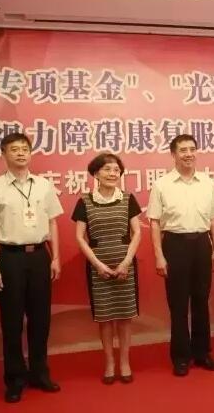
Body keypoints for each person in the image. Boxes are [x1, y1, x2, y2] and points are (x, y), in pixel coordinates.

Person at [0, 132, 63, 403]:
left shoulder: (44, 185)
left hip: (39, 257)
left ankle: (39, 373)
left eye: (25, 148)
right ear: (3, 154)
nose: (21, 153)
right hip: (10, 258)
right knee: (12, 322)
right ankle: (15, 379)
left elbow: (52, 223)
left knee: (41, 320)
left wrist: (56, 257)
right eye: (14, 149)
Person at [147, 134, 214, 377]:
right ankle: (181, 356)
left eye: (192, 149)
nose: (188, 154)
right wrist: (159, 255)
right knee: (178, 304)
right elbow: (154, 222)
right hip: (175, 244)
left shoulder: (207, 183)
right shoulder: (162, 184)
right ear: (173, 154)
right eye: (183, 150)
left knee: (202, 301)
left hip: (202, 243)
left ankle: (202, 352)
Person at [72, 153, 142, 384]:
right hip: (97, 266)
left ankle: (125, 362)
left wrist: (126, 262)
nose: (113, 174)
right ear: (96, 173)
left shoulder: (128, 198)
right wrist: (98, 265)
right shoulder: (84, 201)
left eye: (116, 170)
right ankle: (109, 363)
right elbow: (80, 237)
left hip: (125, 265)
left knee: (124, 317)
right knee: (105, 318)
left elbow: (137, 232)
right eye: (107, 169)